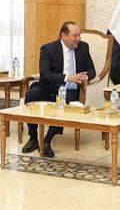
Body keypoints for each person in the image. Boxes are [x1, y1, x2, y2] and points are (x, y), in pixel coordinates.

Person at [23, 22, 96, 158]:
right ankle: (33, 138)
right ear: (63, 36)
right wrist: (68, 77)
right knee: (31, 94)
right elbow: (45, 74)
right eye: (75, 35)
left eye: (79, 35)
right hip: (49, 88)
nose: (79, 38)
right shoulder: (48, 49)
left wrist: (85, 77)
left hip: (70, 92)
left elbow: (92, 70)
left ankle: (47, 141)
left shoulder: (83, 47)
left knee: (64, 104)